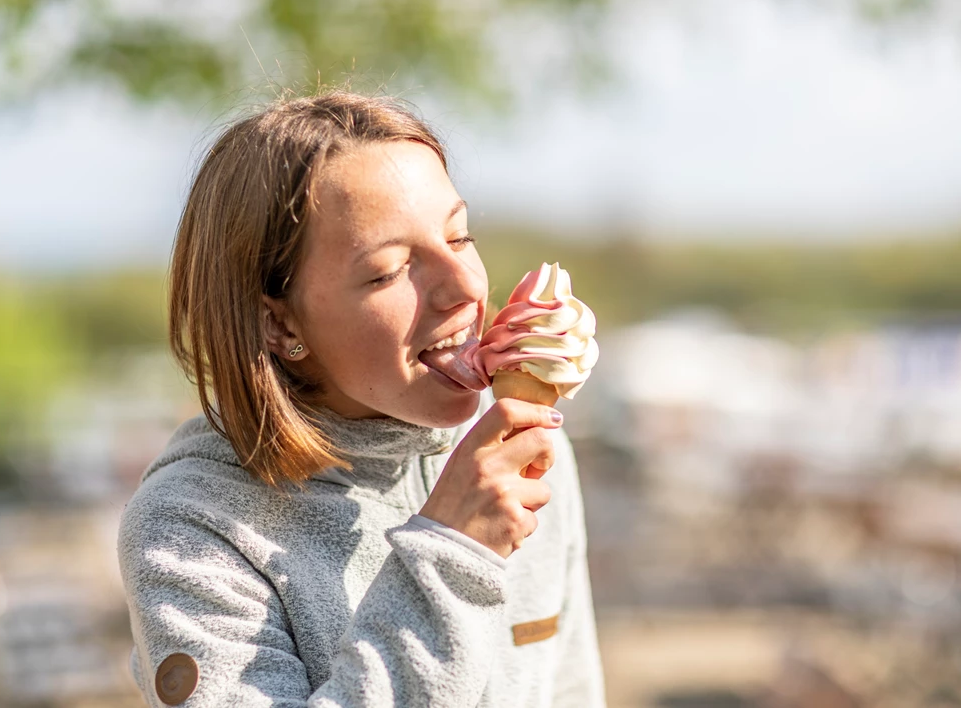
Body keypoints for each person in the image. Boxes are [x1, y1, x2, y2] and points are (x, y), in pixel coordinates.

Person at [117, 90, 606, 707]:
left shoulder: (524, 444)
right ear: (280, 324)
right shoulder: (191, 527)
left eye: (459, 238)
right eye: (389, 270)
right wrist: (454, 554)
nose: (464, 288)